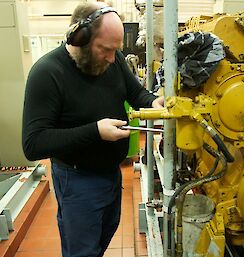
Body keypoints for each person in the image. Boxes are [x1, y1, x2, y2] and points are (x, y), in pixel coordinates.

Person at [22, 2, 164, 257]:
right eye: (105, 50)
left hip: (111, 174)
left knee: (102, 239)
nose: (112, 58)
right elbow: (34, 144)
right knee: (83, 251)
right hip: (77, 182)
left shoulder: (114, 59)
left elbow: (136, 92)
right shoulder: (47, 73)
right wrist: (95, 131)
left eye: (115, 50)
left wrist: (155, 102)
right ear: (79, 38)